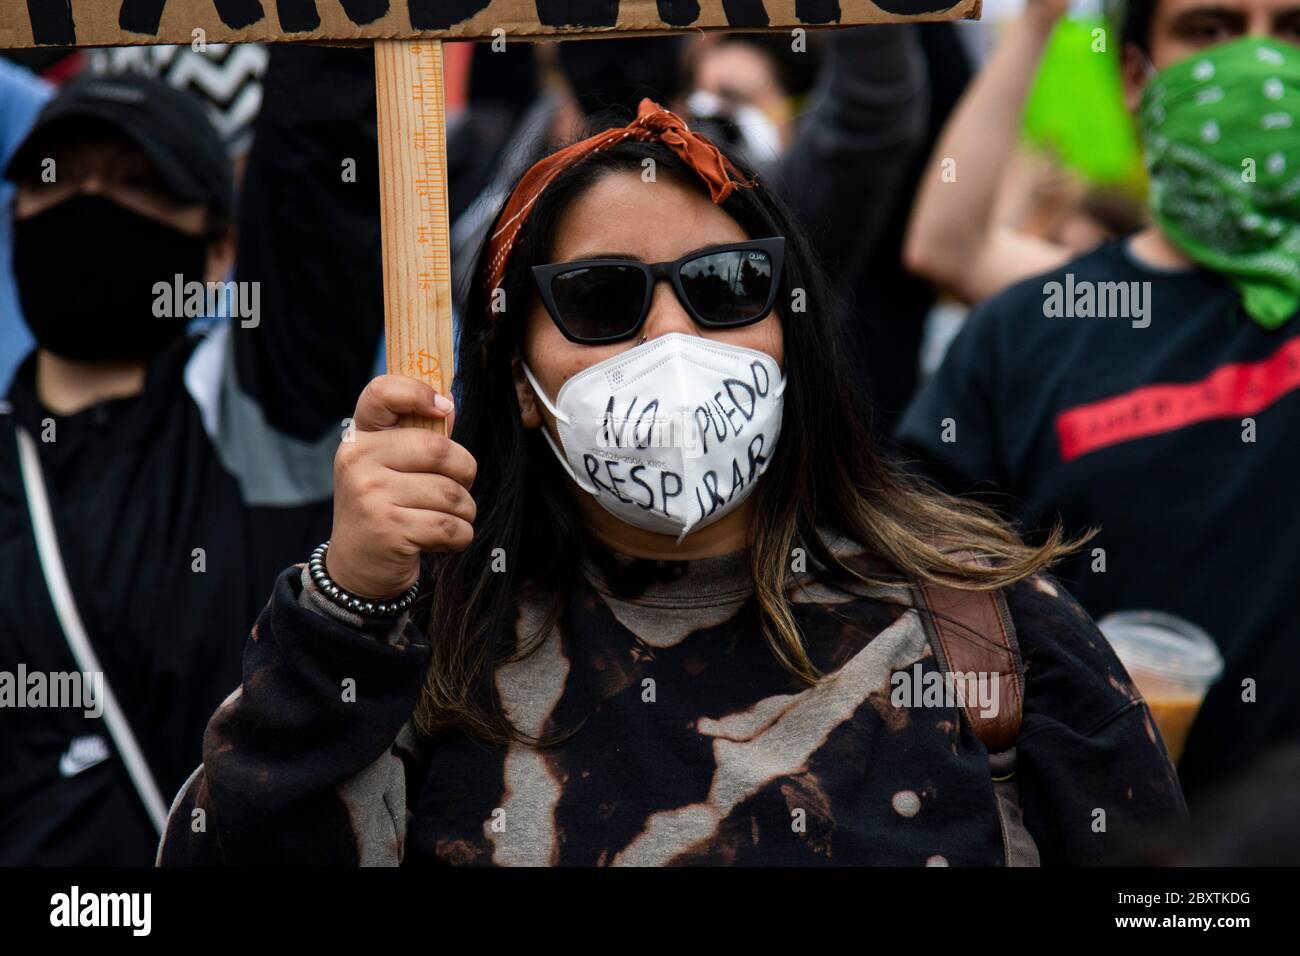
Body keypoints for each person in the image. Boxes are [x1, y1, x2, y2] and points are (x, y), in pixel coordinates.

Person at [158, 100, 1185, 867]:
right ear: (517, 378)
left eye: (726, 288)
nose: (673, 340)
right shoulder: (419, 650)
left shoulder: (985, 628)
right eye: (601, 298)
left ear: (792, 329)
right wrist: (348, 603)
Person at [897, 0, 1300, 801]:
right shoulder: (1038, 325)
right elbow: (917, 596)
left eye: (1294, 31)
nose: (1259, 63)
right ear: (1133, 74)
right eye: (1211, 30)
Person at [0, 48, 384, 864]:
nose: (89, 201)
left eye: (138, 185)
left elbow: (314, 168)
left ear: (217, 255)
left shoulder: (261, 411)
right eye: (55, 178)